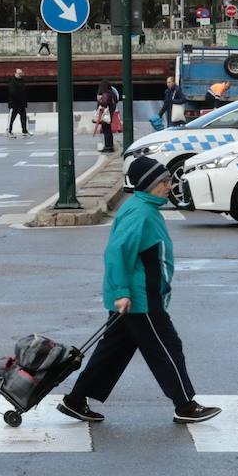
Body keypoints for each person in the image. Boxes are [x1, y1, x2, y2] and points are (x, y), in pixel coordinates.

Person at [58, 156, 221, 425]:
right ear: (149, 185)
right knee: (167, 348)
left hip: (135, 297)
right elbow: (117, 253)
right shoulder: (141, 213)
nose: (170, 185)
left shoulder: (144, 208)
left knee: (112, 352)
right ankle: (185, 405)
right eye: (164, 181)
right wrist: (122, 292)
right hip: (139, 299)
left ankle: (76, 400)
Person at [6, 68, 29, 137]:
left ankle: (24, 131)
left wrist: (24, 101)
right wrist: (17, 99)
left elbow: (24, 92)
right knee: (11, 118)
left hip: (21, 104)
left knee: (23, 117)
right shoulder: (12, 81)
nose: (21, 74)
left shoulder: (22, 81)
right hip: (14, 104)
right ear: (16, 73)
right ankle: (9, 131)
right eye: (19, 73)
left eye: (21, 73)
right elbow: (12, 92)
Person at [96, 80, 117, 153]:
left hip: (105, 114)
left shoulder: (105, 94)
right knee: (108, 130)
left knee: (106, 130)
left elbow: (104, 103)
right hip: (109, 113)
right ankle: (109, 146)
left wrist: (99, 101)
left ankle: (108, 147)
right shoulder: (112, 93)